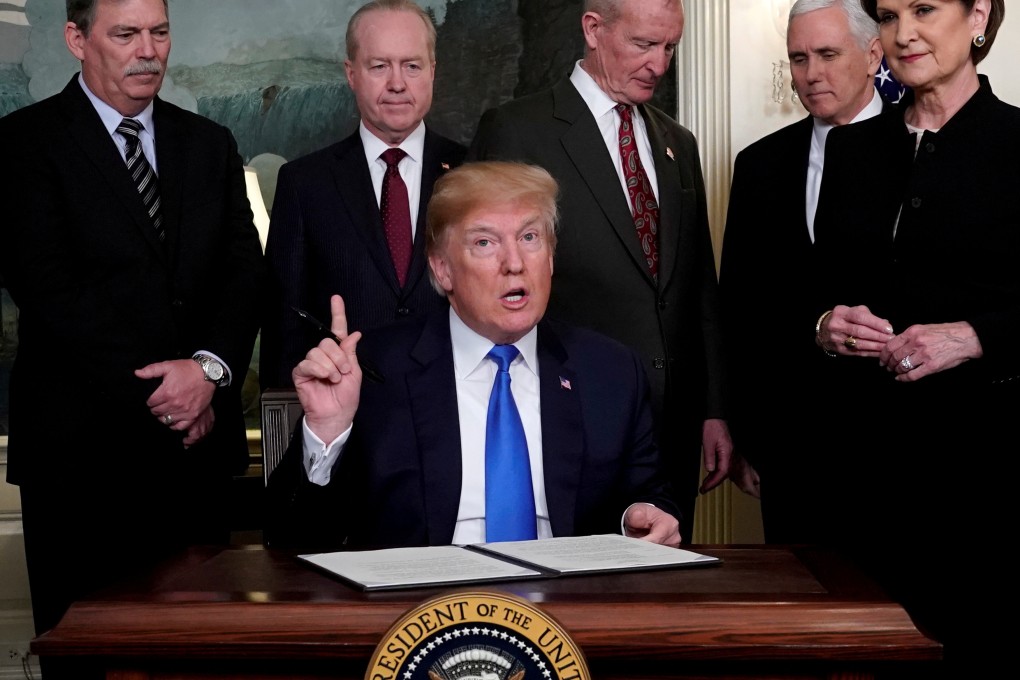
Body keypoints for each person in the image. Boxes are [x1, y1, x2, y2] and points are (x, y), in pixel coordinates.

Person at [0, 0, 263, 651]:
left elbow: (243, 274)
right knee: (89, 659)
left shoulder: (209, 144)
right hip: (80, 466)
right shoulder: (23, 145)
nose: (148, 50)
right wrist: (170, 394)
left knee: (199, 658)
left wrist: (206, 374)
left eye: (159, 31)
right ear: (76, 39)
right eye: (126, 34)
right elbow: (52, 292)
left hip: (195, 462)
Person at [265, 161, 681, 552]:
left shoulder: (609, 371)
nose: (514, 263)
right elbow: (291, 538)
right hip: (418, 615)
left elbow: (648, 497)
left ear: (551, 257)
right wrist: (327, 433)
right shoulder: (373, 370)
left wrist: (639, 519)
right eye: (485, 242)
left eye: (529, 238)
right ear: (442, 269)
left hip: (565, 614)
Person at [467, 0, 729, 543]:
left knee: (660, 597)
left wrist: (713, 408)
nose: (659, 63)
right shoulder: (518, 130)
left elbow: (698, 285)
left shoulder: (678, 143)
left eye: (670, 47)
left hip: (673, 428)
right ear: (593, 29)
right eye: (643, 45)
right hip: (572, 415)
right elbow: (483, 283)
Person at [811, 0, 1011, 665]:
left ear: (978, 13)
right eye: (890, 14)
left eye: (924, 9)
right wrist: (823, 324)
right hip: (858, 480)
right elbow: (811, 294)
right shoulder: (850, 149)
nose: (904, 33)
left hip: (984, 486)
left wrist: (974, 336)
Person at [718, 0, 884, 542]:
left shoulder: (922, 149)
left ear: (873, 53)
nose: (811, 74)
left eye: (828, 54)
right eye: (798, 58)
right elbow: (739, 308)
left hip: (902, 452)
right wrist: (745, 435)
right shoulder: (759, 164)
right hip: (790, 456)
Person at [260, 0, 466, 389]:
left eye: (412, 65)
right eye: (379, 66)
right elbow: (283, 324)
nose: (397, 83)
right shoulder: (304, 183)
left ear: (433, 72)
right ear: (351, 74)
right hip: (345, 416)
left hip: (454, 409)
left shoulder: (473, 173)